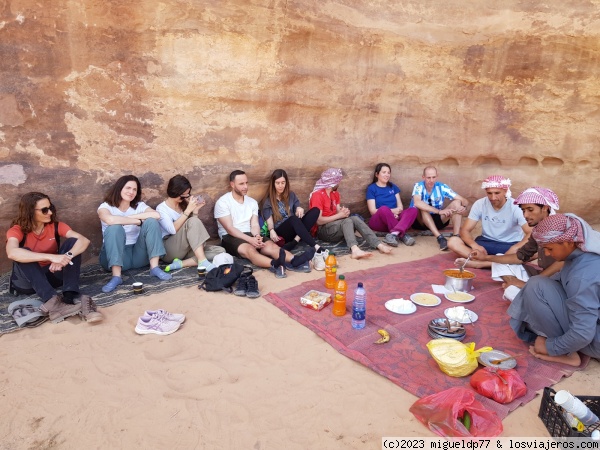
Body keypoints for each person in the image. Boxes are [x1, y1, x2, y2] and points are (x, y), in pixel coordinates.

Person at [507, 214, 600, 366]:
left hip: (594, 340)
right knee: (538, 286)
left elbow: (583, 333)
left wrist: (551, 347)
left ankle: (569, 354)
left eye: (549, 249)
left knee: (536, 287)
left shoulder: (582, 276)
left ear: (568, 242)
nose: (548, 254)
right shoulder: (588, 246)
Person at [6, 192, 103, 323]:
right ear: (29, 212)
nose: (50, 212)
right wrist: (52, 257)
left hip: (52, 274)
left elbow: (83, 240)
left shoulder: (56, 226)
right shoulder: (17, 230)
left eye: (50, 208)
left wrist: (66, 257)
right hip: (27, 282)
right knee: (22, 252)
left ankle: (70, 295)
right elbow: (12, 252)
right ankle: (51, 299)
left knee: (72, 242)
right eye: (44, 210)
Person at [214, 170, 315, 277]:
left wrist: (257, 236)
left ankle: (295, 260)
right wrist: (250, 240)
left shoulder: (251, 202)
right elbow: (229, 228)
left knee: (271, 246)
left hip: (250, 234)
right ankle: (274, 264)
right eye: (241, 184)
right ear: (232, 185)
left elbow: (254, 225)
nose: (245, 187)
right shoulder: (223, 202)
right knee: (250, 250)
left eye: (246, 183)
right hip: (230, 236)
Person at [469, 187, 563, 300]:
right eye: (523, 211)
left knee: (511, 293)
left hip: (559, 283)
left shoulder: (557, 227)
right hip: (542, 278)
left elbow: (562, 263)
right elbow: (520, 257)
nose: (526, 215)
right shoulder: (538, 229)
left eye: (530, 209)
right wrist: (486, 257)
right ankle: (515, 285)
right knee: (499, 259)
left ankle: (527, 292)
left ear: (545, 208)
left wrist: (528, 283)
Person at [98, 175, 171, 293]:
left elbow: (156, 215)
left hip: (138, 256)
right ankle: (116, 277)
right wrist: (138, 221)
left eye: (134, 189)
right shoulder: (106, 206)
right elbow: (110, 220)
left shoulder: (139, 206)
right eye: (128, 188)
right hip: (116, 257)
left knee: (152, 222)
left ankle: (155, 268)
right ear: (120, 188)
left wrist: (126, 218)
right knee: (114, 228)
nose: (131, 192)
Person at [447, 175, 531, 269]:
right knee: (453, 241)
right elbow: (465, 230)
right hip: (485, 243)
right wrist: (475, 246)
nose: (493, 197)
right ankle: (497, 263)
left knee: (530, 252)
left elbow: (530, 233)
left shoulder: (516, 207)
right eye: (489, 193)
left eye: (497, 193)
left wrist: (514, 248)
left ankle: (480, 264)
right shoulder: (480, 204)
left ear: (505, 191)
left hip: (509, 245)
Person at [309, 168, 393, 259]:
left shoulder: (335, 194)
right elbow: (319, 221)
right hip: (323, 231)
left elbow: (338, 212)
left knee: (355, 218)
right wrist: (339, 215)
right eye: (338, 181)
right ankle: (355, 250)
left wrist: (343, 212)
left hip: (335, 227)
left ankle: (378, 244)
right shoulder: (317, 195)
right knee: (347, 221)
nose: (339, 183)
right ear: (333, 182)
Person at [156, 175, 224, 273]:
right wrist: (188, 211)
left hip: (185, 248)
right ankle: (202, 261)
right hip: (169, 249)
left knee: (220, 251)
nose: (186, 197)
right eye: (183, 194)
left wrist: (195, 211)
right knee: (192, 221)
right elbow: (172, 229)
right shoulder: (162, 208)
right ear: (174, 192)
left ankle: (180, 264)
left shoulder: (183, 205)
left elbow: (193, 229)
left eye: (187, 194)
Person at [260, 169, 326, 269]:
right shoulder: (268, 201)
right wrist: (271, 230)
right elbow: (269, 221)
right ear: (273, 184)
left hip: (295, 229)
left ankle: (295, 241)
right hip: (281, 232)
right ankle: (317, 247)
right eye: (278, 183)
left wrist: (299, 208)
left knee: (315, 211)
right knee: (293, 219)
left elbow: (297, 210)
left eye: (283, 183)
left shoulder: (291, 195)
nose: (281, 186)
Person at [410, 166, 469, 250]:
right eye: (428, 178)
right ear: (423, 177)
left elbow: (464, 200)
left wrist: (463, 207)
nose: (431, 180)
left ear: (437, 176)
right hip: (421, 222)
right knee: (423, 206)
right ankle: (440, 238)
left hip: (437, 220)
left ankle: (456, 236)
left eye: (434, 177)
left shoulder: (442, 187)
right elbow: (417, 202)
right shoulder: (418, 186)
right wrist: (438, 211)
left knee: (457, 203)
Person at [366, 163, 418, 247]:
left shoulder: (393, 187)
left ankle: (394, 234)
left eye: (388, 172)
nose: (387, 175)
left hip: (395, 218)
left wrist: (396, 213)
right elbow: (372, 211)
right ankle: (403, 235)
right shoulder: (371, 188)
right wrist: (391, 213)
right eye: (384, 172)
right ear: (377, 174)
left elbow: (400, 206)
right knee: (383, 209)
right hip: (379, 221)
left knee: (413, 210)